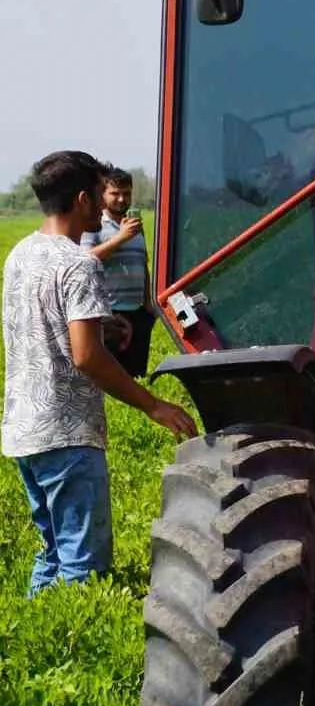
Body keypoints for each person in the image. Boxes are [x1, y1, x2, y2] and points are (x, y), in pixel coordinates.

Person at [3, 151, 198, 596]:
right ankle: (72, 648)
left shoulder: (21, 255)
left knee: (51, 553)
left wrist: (102, 323)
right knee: (82, 566)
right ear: (83, 199)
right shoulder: (79, 263)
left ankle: (43, 641)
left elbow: (46, 323)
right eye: (98, 194)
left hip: (24, 430)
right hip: (67, 433)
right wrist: (153, 405)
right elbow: (87, 357)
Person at [79, 167, 156, 380]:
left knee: (137, 375)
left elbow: (143, 264)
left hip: (138, 313)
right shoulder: (93, 225)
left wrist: (148, 303)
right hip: (110, 314)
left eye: (127, 193)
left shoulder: (135, 226)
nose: (122, 199)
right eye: (115, 193)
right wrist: (121, 238)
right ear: (103, 195)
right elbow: (85, 260)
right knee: (112, 377)